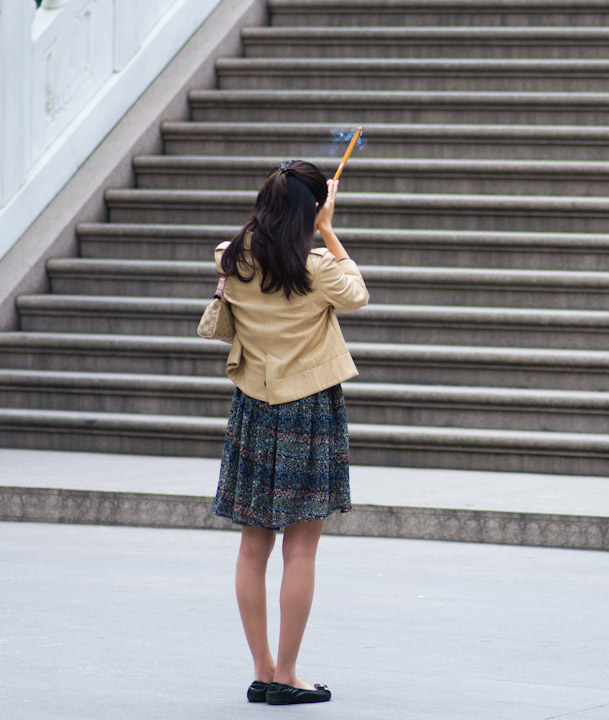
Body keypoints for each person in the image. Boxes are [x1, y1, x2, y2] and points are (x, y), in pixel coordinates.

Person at [211, 160, 369, 705]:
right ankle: (288, 674)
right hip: (308, 411)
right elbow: (358, 296)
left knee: (253, 546)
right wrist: (328, 228)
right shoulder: (317, 266)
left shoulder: (233, 259)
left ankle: (263, 670)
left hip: (254, 408)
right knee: (301, 551)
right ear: (312, 207)